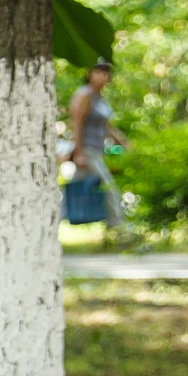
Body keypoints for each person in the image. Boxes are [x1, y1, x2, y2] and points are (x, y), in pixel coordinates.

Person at [67, 58, 128, 240]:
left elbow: (106, 127)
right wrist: (78, 153)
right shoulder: (84, 95)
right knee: (109, 188)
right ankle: (121, 232)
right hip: (87, 151)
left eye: (106, 73)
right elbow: (76, 123)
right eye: (99, 72)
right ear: (89, 74)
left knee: (72, 191)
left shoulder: (100, 98)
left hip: (97, 150)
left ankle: (49, 222)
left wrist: (123, 143)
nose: (103, 76)